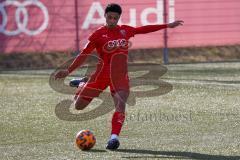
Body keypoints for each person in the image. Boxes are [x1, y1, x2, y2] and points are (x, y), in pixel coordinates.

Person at [55, 3, 183, 150]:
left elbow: (144, 29)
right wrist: (68, 71)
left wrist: (167, 25)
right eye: (109, 17)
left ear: (118, 18)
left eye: (115, 18)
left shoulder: (125, 30)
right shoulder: (97, 34)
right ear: (105, 16)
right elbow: (84, 54)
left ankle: (114, 138)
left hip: (120, 76)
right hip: (100, 76)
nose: (112, 20)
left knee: (120, 106)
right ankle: (83, 83)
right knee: (78, 106)